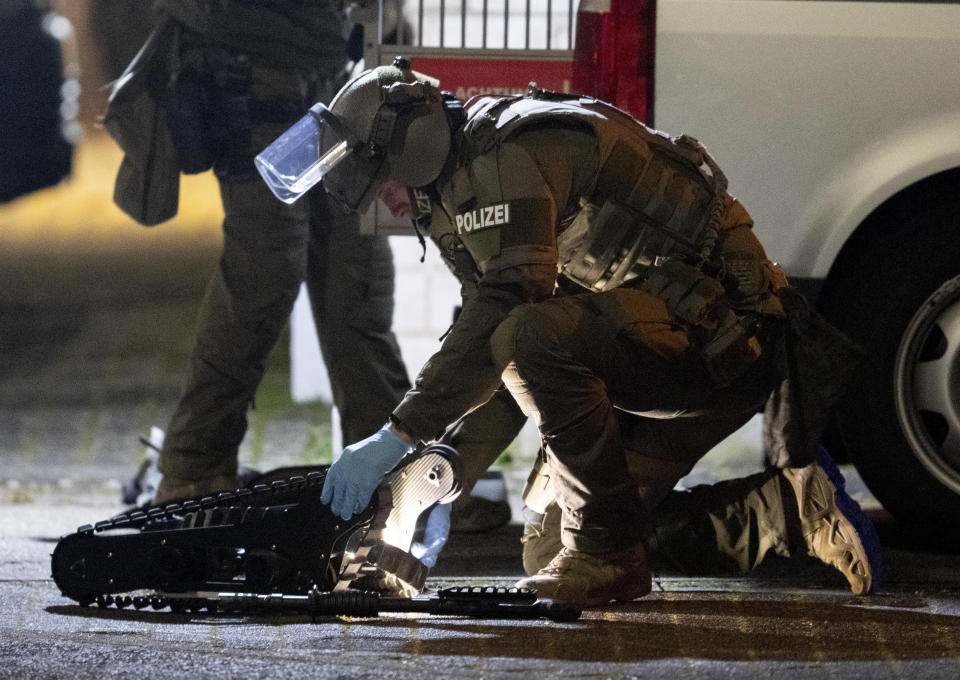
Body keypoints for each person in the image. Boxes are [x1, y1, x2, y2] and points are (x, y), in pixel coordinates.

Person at [259, 61, 879, 606]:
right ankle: (791, 513)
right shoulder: (457, 189)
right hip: (654, 344)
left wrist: (397, 435)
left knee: (532, 343)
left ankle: (611, 553)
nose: (389, 206)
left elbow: (513, 324)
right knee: (552, 546)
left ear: (410, 149)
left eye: (383, 187)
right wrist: (436, 474)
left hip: (725, 342)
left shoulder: (504, 159)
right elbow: (490, 353)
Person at [106, 0, 411, 504]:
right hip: (252, 67)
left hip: (334, 65)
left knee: (355, 273)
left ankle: (389, 472)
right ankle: (194, 468)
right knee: (265, 269)